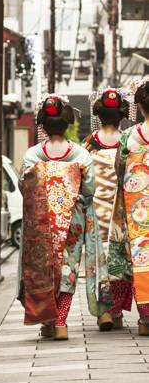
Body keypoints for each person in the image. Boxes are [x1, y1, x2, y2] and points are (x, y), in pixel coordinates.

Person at [19, 94, 112, 340]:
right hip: (73, 217)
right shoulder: (81, 155)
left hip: (42, 220)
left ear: (43, 126)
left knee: (43, 268)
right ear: (68, 123)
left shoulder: (32, 155)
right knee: (68, 267)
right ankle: (60, 321)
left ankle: (48, 320)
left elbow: (25, 188)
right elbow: (89, 190)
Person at [82, 88, 131, 330]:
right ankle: (117, 311)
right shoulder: (127, 140)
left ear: (98, 115)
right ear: (122, 114)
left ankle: (104, 311)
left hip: (96, 208)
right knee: (119, 258)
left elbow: (81, 176)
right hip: (120, 207)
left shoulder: (89, 143)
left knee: (98, 258)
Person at [110, 78, 149, 335]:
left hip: (138, 207)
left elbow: (118, 169)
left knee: (140, 255)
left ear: (140, 107)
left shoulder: (129, 137)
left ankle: (146, 318)